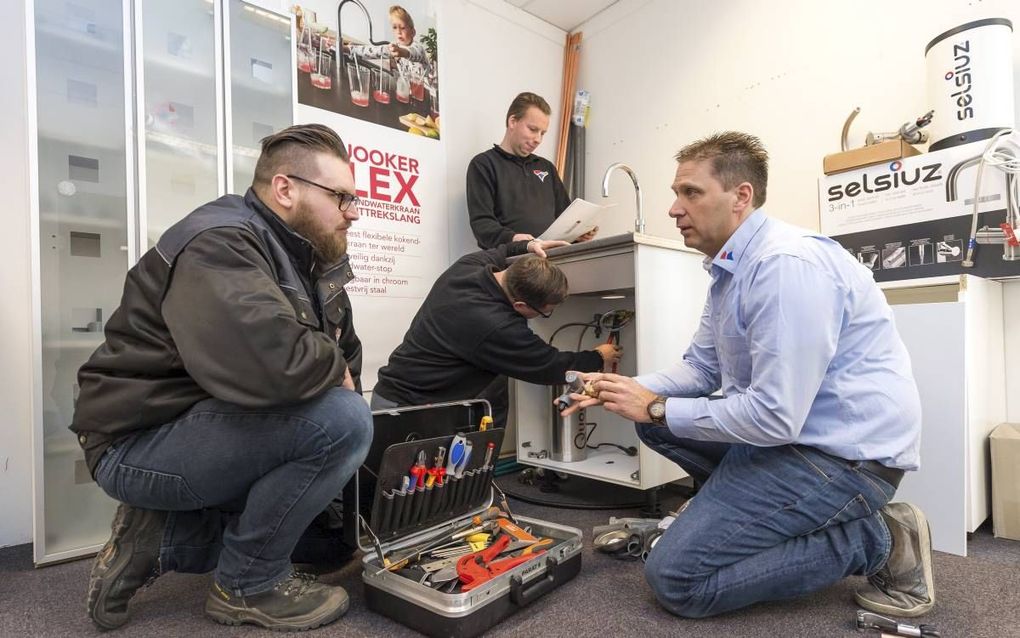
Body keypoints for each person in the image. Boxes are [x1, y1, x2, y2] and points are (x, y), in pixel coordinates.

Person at [563, 132, 934, 619]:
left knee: (677, 580)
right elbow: (701, 367)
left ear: (742, 196)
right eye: (676, 194)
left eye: (690, 193)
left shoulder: (785, 268)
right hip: (794, 440)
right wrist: (630, 390)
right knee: (650, 420)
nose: (674, 208)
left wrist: (655, 404)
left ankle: (877, 538)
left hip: (843, 461)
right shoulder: (729, 271)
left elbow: (775, 417)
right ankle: (735, 516)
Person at [71, 124, 374, 632]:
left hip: (203, 426)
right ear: (285, 189)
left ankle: (159, 541)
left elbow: (346, 363)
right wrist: (335, 375)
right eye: (342, 197)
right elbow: (277, 365)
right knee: (341, 422)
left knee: (327, 540)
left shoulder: (312, 265)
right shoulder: (220, 241)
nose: (354, 212)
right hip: (135, 444)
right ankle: (246, 587)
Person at [371, 239, 621, 411]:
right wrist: (599, 356)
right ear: (520, 305)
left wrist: (529, 245)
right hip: (408, 408)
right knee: (415, 489)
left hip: (396, 394)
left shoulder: (468, 267)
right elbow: (548, 365)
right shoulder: (494, 325)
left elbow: (500, 251)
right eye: (545, 313)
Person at [466, 91, 597, 249]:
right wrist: (513, 238)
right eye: (533, 129)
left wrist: (578, 234)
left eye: (543, 133)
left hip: (552, 258)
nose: (538, 139)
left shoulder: (546, 167)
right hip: (509, 260)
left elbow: (565, 218)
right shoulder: (484, 165)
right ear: (513, 121)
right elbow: (482, 224)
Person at [345, 5, 427, 64]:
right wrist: (349, 49)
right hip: (409, 86)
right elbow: (376, 51)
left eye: (402, 28)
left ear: (413, 32)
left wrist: (402, 52)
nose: (398, 32)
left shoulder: (418, 48)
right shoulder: (395, 48)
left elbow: (413, 53)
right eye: (395, 27)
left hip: (425, 87)